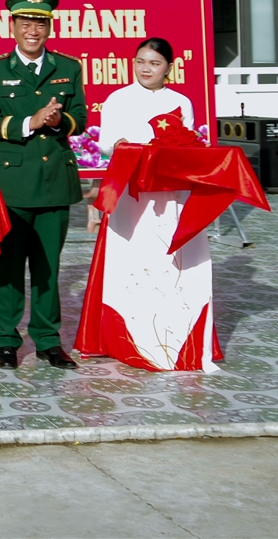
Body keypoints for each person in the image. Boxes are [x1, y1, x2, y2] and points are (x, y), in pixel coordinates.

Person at [77, 38, 215, 370]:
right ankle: (129, 333)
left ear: (169, 67)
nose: (145, 69)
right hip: (132, 196)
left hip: (171, 196)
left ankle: (173, 325)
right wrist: (121, 144)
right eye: (140, 62)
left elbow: (188, 144)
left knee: (171, 262)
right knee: (132, 263)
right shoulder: (118, 99)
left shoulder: (181, 101)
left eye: (153, 63)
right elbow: (107, 142)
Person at [0, 0, 87, 371]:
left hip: (56, 180)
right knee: (9, 266)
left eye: (40, 23)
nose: (33, 30)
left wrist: (59, 121)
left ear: (50, 27)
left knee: (48, 268)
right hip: (14, 186)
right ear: (12, 24)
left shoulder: (68, 68)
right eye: (25, 21)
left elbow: (82, 120)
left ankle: (48, 341)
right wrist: (30, 121)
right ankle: (6, 341)